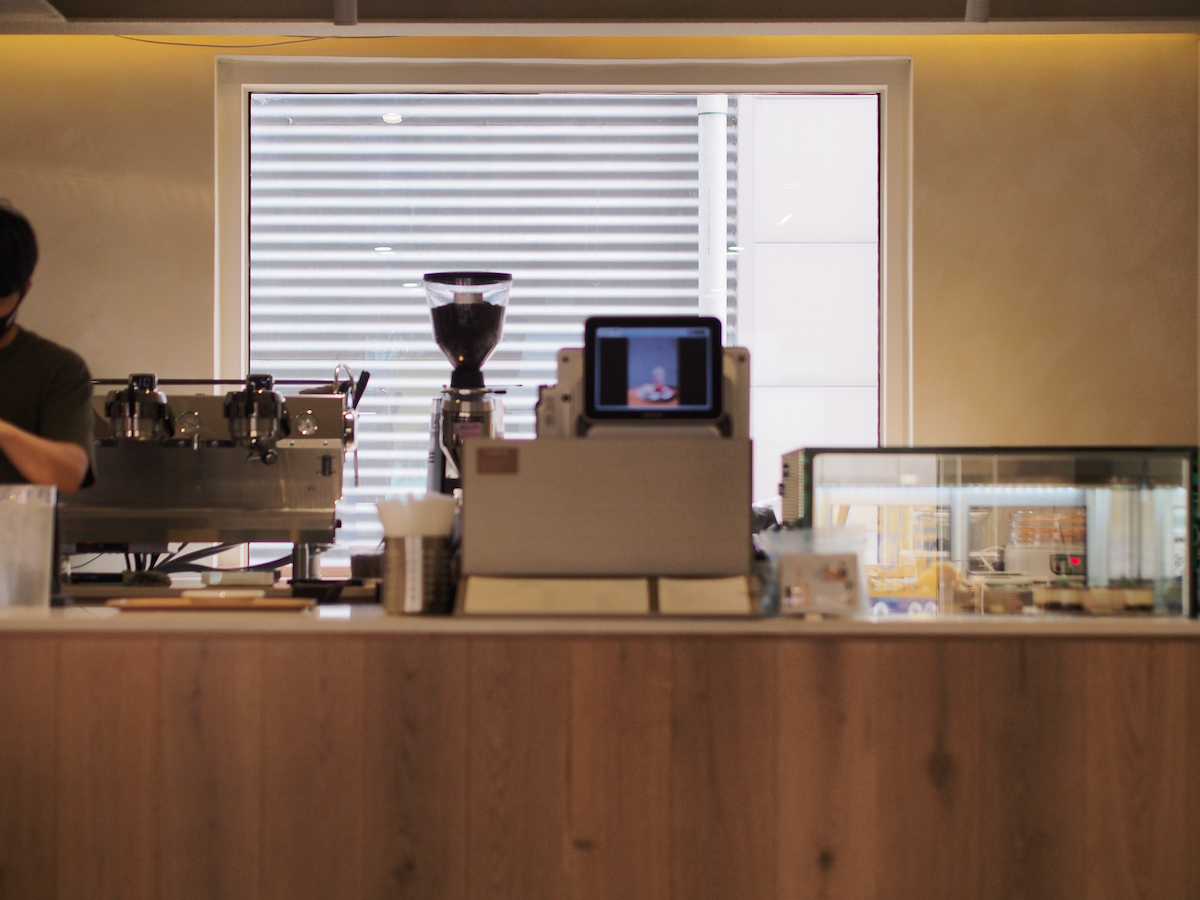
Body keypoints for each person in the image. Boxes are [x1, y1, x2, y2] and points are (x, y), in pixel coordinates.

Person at [0, 203, 93, 493]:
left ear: (24, 291)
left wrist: (4, 433)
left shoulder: (57, 368)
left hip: (19, 524)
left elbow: (69, 475)